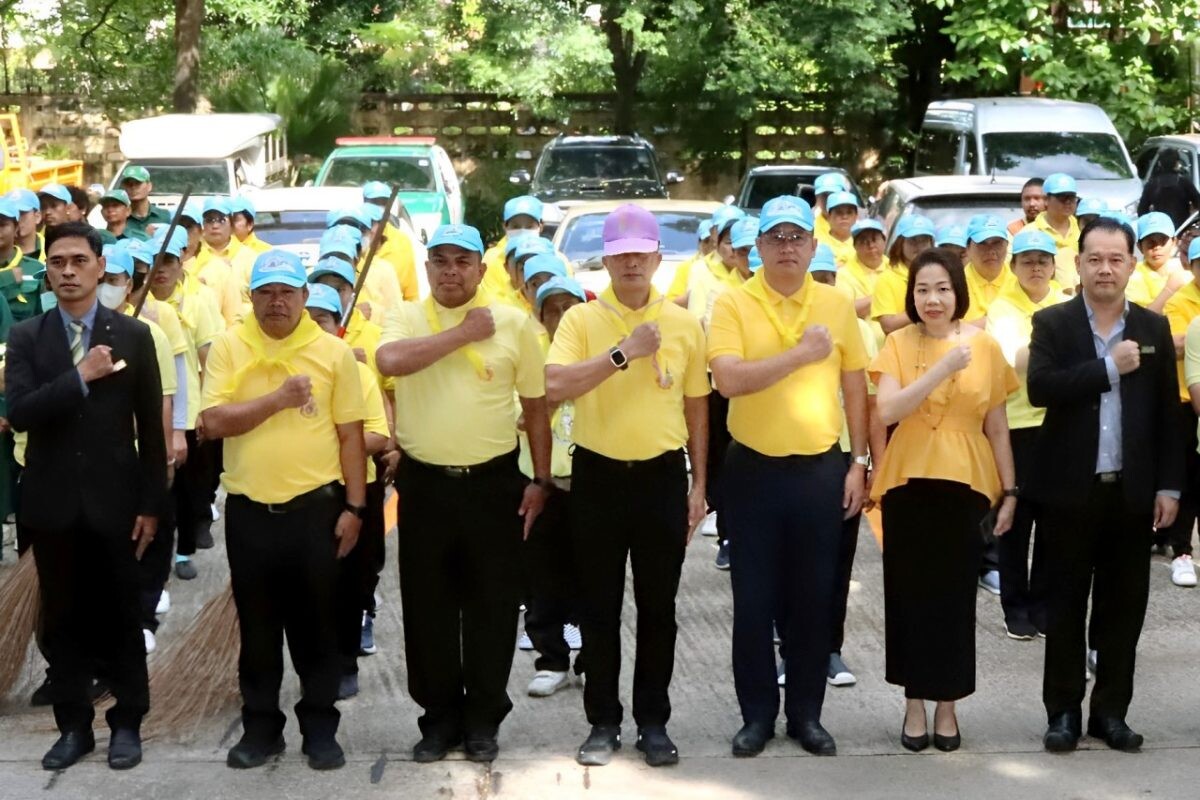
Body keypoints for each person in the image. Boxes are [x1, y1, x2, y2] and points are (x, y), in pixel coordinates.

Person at [375, 223, 551, 764]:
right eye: (440, 261)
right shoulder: (406, 316)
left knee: (492, 607)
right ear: (426, 268)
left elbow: (538, 407)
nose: (451, 271)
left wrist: (541, 481)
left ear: (481, 268)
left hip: (494, 483)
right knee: (427, 609)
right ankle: (439, 719)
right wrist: (462, 335)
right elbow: (389, 363)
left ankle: (483, 719)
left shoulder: (516, 323)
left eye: (462, 261)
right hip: (425, 484)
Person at [546, 204, 708, 769]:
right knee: (599, 606)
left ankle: (653, 721)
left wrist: (699, 483)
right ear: (607, 261)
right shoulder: (581, 320)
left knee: (658, 608)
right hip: (597, 476)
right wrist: (623, 352)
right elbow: (554, 384)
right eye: (621, 254)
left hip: (662, 477)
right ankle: (602, 721)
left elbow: (696, 407)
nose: (632, 261)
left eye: (642, 252)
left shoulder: (685, 324)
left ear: (659, 257)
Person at [707, 197, 869, 759]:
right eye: (774, 238)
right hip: (752, 472)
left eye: (795, 237)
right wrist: (800, 355)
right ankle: (756, 716)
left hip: (820, 471)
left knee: (813, 601)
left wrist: (859, 461)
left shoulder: (835, 302)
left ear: (813, 246)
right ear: (757, 247)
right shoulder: (733, 302)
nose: (785, 247)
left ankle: (806, 715)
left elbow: (854, 385)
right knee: (752, 601)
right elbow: (727, 380)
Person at [8, 221, 167, 771]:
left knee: (122, 618)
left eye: (79, 260)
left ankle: (128, 723)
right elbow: (19, 412)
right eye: (57, 262)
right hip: (51, 508)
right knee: (63, 624)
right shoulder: (29, 337)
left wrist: (152, 505)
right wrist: (81, 375)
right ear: (46, 270)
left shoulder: (134, 336)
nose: (68, 271)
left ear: (102, 268)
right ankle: (73, 728)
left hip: (118, 507)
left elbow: (151, 427)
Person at [200, 249, 366, 771]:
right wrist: (277, 399)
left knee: (318, 628)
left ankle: (320, 728)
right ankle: (261, 729)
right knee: (259, 631)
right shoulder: (230, 346)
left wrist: (357, 508)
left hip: (316, 512)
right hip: (249, 512)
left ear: (303, 296)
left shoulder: (332, 352)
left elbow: (350, 435)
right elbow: (212, 422)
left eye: (287, 293)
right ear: (251, 297)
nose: (277, 303)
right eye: (266, 293)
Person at [1027, 216, 1184, 754]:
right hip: (1070, 490)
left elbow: (1168, 413)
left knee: (1123, 609)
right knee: (1066, 605)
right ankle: (1063, 712)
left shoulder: (1153, 328)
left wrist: (1170, 487)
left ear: (1132, 265)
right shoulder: (1053, 323)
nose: (1105, 269)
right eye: (1094, 258)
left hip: (1133, 494)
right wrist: (1107, 368)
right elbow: (1041, 387)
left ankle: (1111, 713)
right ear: (1079, 264)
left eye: (1116, 259)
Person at [869, 247, 1018, 754]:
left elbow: (997, 426)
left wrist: (1011, 490)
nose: (932, 299)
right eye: (922, 289)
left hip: (966, 482)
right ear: (911, 295)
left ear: (959, 292)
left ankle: (948, 703)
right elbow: (887, 407)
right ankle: (914, 702)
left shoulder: (987, 346)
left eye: (942, 289)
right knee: (908, 594)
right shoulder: (896, 342)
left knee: (954, 599)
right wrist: (940, 368)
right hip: (909, 477)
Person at [805, 246, 889, 689]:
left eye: (827, 277)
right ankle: (790, 650)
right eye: (812, 277)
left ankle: (830, 649)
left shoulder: (858, 329)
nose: (820, 285)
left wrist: (872, 462)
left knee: (838, 560)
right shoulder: (785, 323)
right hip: (793, 454)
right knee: (789, 563)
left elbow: (872, 405)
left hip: (843, 457)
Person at [302, 283, 390, 700]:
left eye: (323, 320)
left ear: (339, 328)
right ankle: (316, 663)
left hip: (359, 490)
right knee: (312, 584)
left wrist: (335, 442)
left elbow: (378, 436)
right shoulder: (289, 371)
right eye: (309, 319)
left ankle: (346, 661)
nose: (315, 328)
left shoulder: (359, 372)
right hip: (306, 489)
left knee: (353, 580)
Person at [984, 229, 1068, 638]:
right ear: (1014, 266)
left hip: (1058, 425)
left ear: (1054, 266)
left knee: (1053, 523)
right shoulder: (1002, 307)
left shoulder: (1067, 303)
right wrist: (1058, 342)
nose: (1036, 267)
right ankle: (1015, 607)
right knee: (1015, 524)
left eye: (1043, 260)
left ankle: (1044, 605)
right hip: (1015, 427)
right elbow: (1012, 357)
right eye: (1027, 260)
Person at [97, 244, 180, 653]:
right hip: (92, 463)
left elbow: (162, 400)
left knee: (144, 539)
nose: (105, 289)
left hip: (133, 459)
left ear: (130, 286)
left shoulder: (149, 334)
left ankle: (141, 617)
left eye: (114, 282)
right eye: (102, 280)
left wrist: (164, 457)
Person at [520, 275, 589, 698]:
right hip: (541, 481)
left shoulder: (601, 355)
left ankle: (591, 657)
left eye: (569, 306)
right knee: (541, 575)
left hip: (591, 482)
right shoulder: (530, 359)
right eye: (552, 309)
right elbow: (519, 415)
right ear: (540, 316)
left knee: (593, 576)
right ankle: (551, 659)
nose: (562, 316)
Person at [146, 227, 223, 581]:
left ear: (182, 264)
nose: (161, 270)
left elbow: (209, 357)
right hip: (146, 411)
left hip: (187, 408)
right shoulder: (138, 306)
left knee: (188, 488)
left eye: (169, 261)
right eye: (154, 262)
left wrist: (209, 407)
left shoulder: (198, 301)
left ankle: (184, 550)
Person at [1160, 236, 1200, 586]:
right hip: (1186, 400)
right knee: (1187, 476)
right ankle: (1181, 550)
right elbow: (1172, 346)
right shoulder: (1180, 300)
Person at [872, 215, 935, 334]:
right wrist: (923, 308)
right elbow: (888, 326)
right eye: (913, 240)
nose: (919, 246)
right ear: (901, 243)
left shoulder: (942, 274)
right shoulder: (887, 279)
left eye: (923, 241)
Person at [192, 196, 250, 327]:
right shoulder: (192, 253)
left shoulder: (249, 257)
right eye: (209, 220)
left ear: (232, 223)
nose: (215, 225)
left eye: (221, 220)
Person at [362, 181, 421, 302]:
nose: (379, 206)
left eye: (383, 202)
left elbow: (411, 294)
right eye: (374, 202)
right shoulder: (354, 239)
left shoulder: (402, 241)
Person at [482, 196, 546, 306]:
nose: (522, 231)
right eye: (515, 226)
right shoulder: (491, 259)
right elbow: (489, 303)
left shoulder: (557, 258)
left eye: (529, 226)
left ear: (541, 226)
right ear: (505, 226)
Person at [1126, 211, 1190, 314]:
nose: (1157, 247)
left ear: (1174, 242)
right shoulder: (1132, 276)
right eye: (1150, 242)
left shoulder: (1186, 268)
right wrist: (1170, 289)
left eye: (1163, 241)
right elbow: (1142, 321)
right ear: (1139, 246)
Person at [1029, 173, 1081, 291]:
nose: (1068, 202)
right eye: (1062, 197)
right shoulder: (1029, 234)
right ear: (1046, 200)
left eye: (1072, 197)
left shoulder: (1085, 231)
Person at [962, 215, 1015, 327]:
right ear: (967, 249)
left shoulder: (1022, 281)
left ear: (1007, 246)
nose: (991, 251)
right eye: (982, 243)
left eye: (997, 243)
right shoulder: (953, 284)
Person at [1138, 149, 1200, 228]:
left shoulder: (1151, 184)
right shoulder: (1185, 183)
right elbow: (1198, 202)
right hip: (1182, 229)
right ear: (1177, 164)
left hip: (1159, 230)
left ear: (1160, 163)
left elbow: (1141, 211)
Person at [118, 166, 171, 240]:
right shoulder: (119, 217)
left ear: (149, 186)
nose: (133, 187)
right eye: (128, 184)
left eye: (138, 183)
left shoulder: (165, 216)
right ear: (124, 188)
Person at [816, 191, 859, 267]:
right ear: (829, 217)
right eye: (839, 212)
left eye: (849, 212)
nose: (844, 217)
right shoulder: (817, 244)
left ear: (856, 216)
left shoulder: (863, 244)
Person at [811, 173, 851, 242]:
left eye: (833, 194)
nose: (829, 199)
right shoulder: (809, 225)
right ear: (817, 198)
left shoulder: (857, 225)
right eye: (824, 195)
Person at [10, 188, 43, 261]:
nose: (17, 219)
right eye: (12, 214)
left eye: (22, 213)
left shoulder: (53, 248)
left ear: (37, 216)